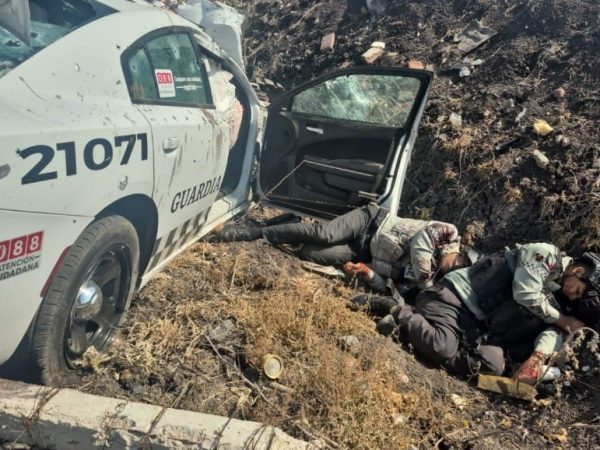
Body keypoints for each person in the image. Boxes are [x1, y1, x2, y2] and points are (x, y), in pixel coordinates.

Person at [383, 244, 600, 380]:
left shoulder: (555, 290)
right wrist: (563, 319)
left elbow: (552, 332)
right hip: (453, 298)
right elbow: (525, 294)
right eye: (578, 290)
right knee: (442, 346)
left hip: (476, 325)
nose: (573, 296)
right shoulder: (545, 255)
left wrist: (536, 358)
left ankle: (414, 334)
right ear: (578, 271)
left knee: (492, 367)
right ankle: (394, 308)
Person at [217, 205, 472, 282]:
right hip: (369, 222)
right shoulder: (448, 233)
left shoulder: (428, 274)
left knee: (310, 253)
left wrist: (368, 273)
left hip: (361, 251)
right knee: (324, 234)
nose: (447, 268)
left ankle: (289, 224)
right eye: (453, 265)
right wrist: (425, 281)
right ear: (459, 254)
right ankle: (254, 233)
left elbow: (392, 278)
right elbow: (420, 244)